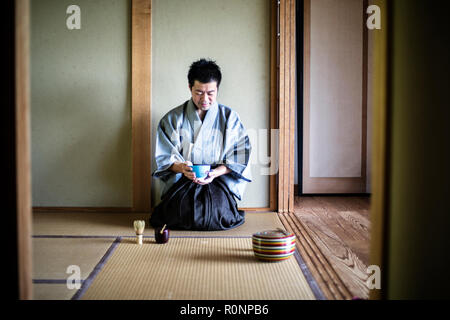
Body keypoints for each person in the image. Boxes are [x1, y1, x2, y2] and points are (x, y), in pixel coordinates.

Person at [151, 58, 252, 231]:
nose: (205, 98)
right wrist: (182, 168)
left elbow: (240, 156)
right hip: (184, 180)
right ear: (190, 88)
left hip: (216, 180)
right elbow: (164, 158)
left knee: (219, 214)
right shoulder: (173, 118)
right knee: (178, 213)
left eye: (211, 93)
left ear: (217, 89)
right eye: (198, 92)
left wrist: (215, 172)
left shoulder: (229, 117)